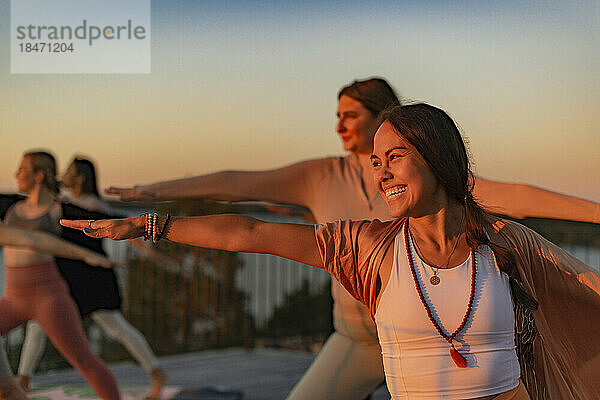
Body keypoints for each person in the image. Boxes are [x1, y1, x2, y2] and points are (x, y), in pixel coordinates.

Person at [62, 103, 600, 399]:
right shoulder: (366, 247)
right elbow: (249, 234)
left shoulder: (507, 243)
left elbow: (585, 286)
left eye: (395, 156)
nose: (380, 169)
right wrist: (153, 225)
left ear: (437, 158)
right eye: (375, 158)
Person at [17, 157, 166, 399]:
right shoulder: (62, 204)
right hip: (69, 277)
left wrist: (149, 250)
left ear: (81, 177)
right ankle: (22, 381)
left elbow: (125, 226)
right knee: (38, 323)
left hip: (93, 278)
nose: (64, 174)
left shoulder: (90, 205)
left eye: (70, 171)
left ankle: (156, 372)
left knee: (115, 327)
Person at [1, 151, 121, 400]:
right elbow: (26, 238)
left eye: (22, 169)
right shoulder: (11, 207)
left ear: (39, 174)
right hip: (14, 297)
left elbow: (100, 222)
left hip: (48, 297)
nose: (16, 174)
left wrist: (91, 256)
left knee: (84, 360)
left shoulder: (59, 210)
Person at [0, 224, 115, 400]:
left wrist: (85, 254)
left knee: (8, 391)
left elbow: (34, 239)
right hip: (19, 297)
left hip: (47, 297)